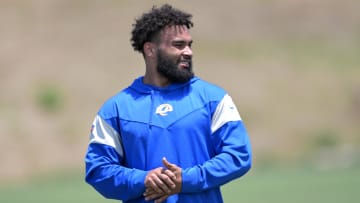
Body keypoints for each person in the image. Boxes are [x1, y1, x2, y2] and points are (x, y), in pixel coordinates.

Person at [85, 4, 252, 203]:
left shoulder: (213, 98)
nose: (188, 52)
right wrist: (143, 179)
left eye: (190, 45)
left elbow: (238, 155)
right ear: (150, 50)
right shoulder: (116, 110)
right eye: (178, 45)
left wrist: (185, 179)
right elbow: (98, 170)